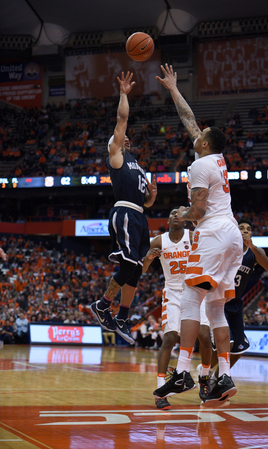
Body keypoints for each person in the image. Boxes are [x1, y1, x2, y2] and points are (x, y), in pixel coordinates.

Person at [153, 64, 243, 407]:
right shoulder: (216, 158)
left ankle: (184, 371)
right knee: (217, 307)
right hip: (232, 233)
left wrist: (180, 216)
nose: (195, 133)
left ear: (203, 143)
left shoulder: (199, 166)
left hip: (214, 232)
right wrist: (174, 89)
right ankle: (223, 377)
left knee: (191, 299)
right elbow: (189, 120)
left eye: (199, 134)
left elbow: (200, 211)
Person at [91, 72, 157, 344]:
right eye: (120, 137)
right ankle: (103, 305)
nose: (125, 137)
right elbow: (122, 120)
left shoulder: (137, 166)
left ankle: (122, 317)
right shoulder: (116, 156)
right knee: (129, 266)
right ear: (114, 145)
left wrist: (152, 196)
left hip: (140, 217)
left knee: (137, 271)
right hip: (125, 213)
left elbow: (146, 203)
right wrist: (124, 93)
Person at [204, 217, 268, 387]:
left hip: (236, 303)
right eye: (241, 228)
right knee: (228, 342)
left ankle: (216, 375)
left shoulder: (254, 252)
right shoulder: (228, 248)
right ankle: (206, 371)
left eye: (248, 229)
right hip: (219, 301)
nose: (245, 231)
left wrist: (253, 247)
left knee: (241, 348)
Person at [143, 207, 193, 410]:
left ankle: (203, 379)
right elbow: (141, 269)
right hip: (172, 292)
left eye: (179, 213)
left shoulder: (193, 236)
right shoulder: (158, 241)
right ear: (168, 219)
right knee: (169, 338)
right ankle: (160, 389)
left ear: (186, 219)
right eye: (171, 212)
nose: (175, 215)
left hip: (193, 291)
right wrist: (148, 259)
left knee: (204, 337)